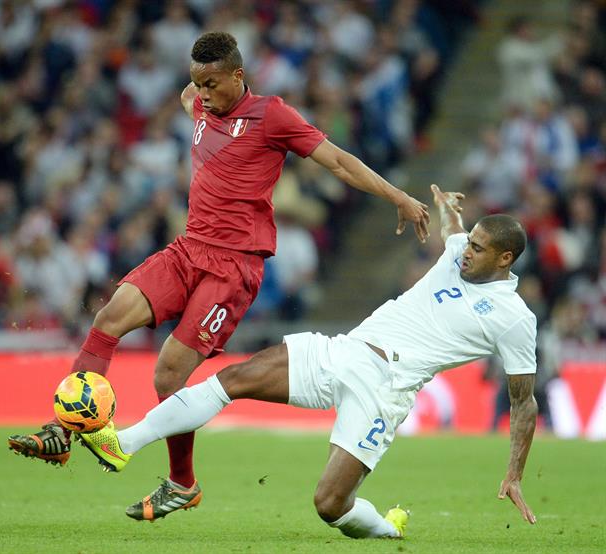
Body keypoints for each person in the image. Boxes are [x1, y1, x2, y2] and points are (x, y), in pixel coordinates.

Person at [8, 31, 430, 521]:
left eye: (212, 83)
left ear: (238, 75)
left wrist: (398, 196)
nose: (203, 94)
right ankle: (63, 429)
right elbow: (188, 96)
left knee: (169, 375)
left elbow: (336, 160)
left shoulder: (273, 116)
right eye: (197, 84)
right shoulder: (199, 103)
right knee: (108, 316)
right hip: (188, 249)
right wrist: (195, 93)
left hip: (233, 266)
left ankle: (181, 484)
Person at [78, 184, 539, 535]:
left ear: (505, 258)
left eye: (479, 249)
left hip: (385, 391)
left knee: (329, 505)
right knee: (234, 378)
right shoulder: (461, 251)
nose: (466, 252)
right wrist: (449, 210)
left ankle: (386, 527)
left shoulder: (514, 318)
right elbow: (454, 235)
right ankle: (124, 443)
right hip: (344, 351)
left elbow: (523, 402)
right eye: (471, 242)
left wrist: (514, 473)